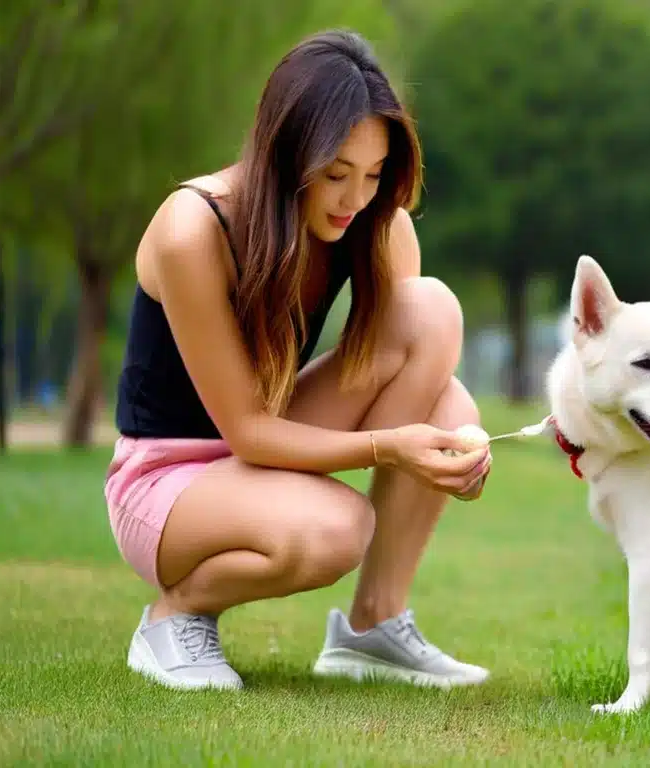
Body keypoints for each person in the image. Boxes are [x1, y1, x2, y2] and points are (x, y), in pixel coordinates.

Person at [104, 29, 494, 691]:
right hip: (168, 483)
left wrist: (449, 452)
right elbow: (249, 432)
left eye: (373, 175)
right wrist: (390, 448)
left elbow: (413, 375)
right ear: (284, 153)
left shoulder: (372, 222)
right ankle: (175, 617)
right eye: (336, 173)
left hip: (263, 448)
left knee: (448, 388)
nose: (354, 198)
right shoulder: (192, 230)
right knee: (338, 530)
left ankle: (373, 626)